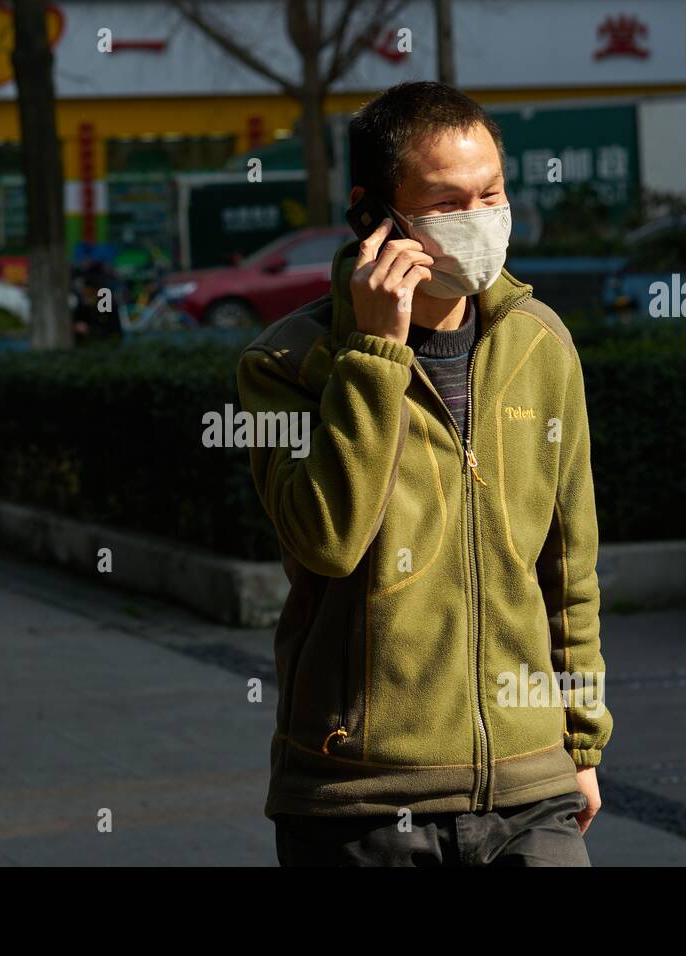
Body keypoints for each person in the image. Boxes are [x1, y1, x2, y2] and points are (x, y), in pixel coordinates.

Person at [235, 81, 613, 867]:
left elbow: (569, 570)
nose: (481, 220)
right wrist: (375, 356)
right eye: (449, 203)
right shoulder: (284, 364)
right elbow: (328, 541)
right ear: (376, 215)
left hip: (530, 785)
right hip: (359, 796)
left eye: (492, 194)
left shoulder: (541, 345)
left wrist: (580, 742)